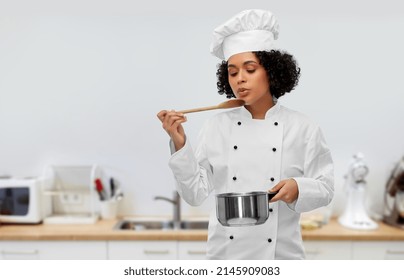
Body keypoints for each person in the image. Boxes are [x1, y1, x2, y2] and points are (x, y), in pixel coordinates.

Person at [157, 9, 334, 259]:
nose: (240, 80)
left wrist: (298, 188)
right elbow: (195, 194)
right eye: (233, 72)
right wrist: (179, 143)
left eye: (250, 69)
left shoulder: (303, 127)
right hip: (226, 257)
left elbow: (326, 188)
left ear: (271, 71)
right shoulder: (216, 127)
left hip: (281, 257)